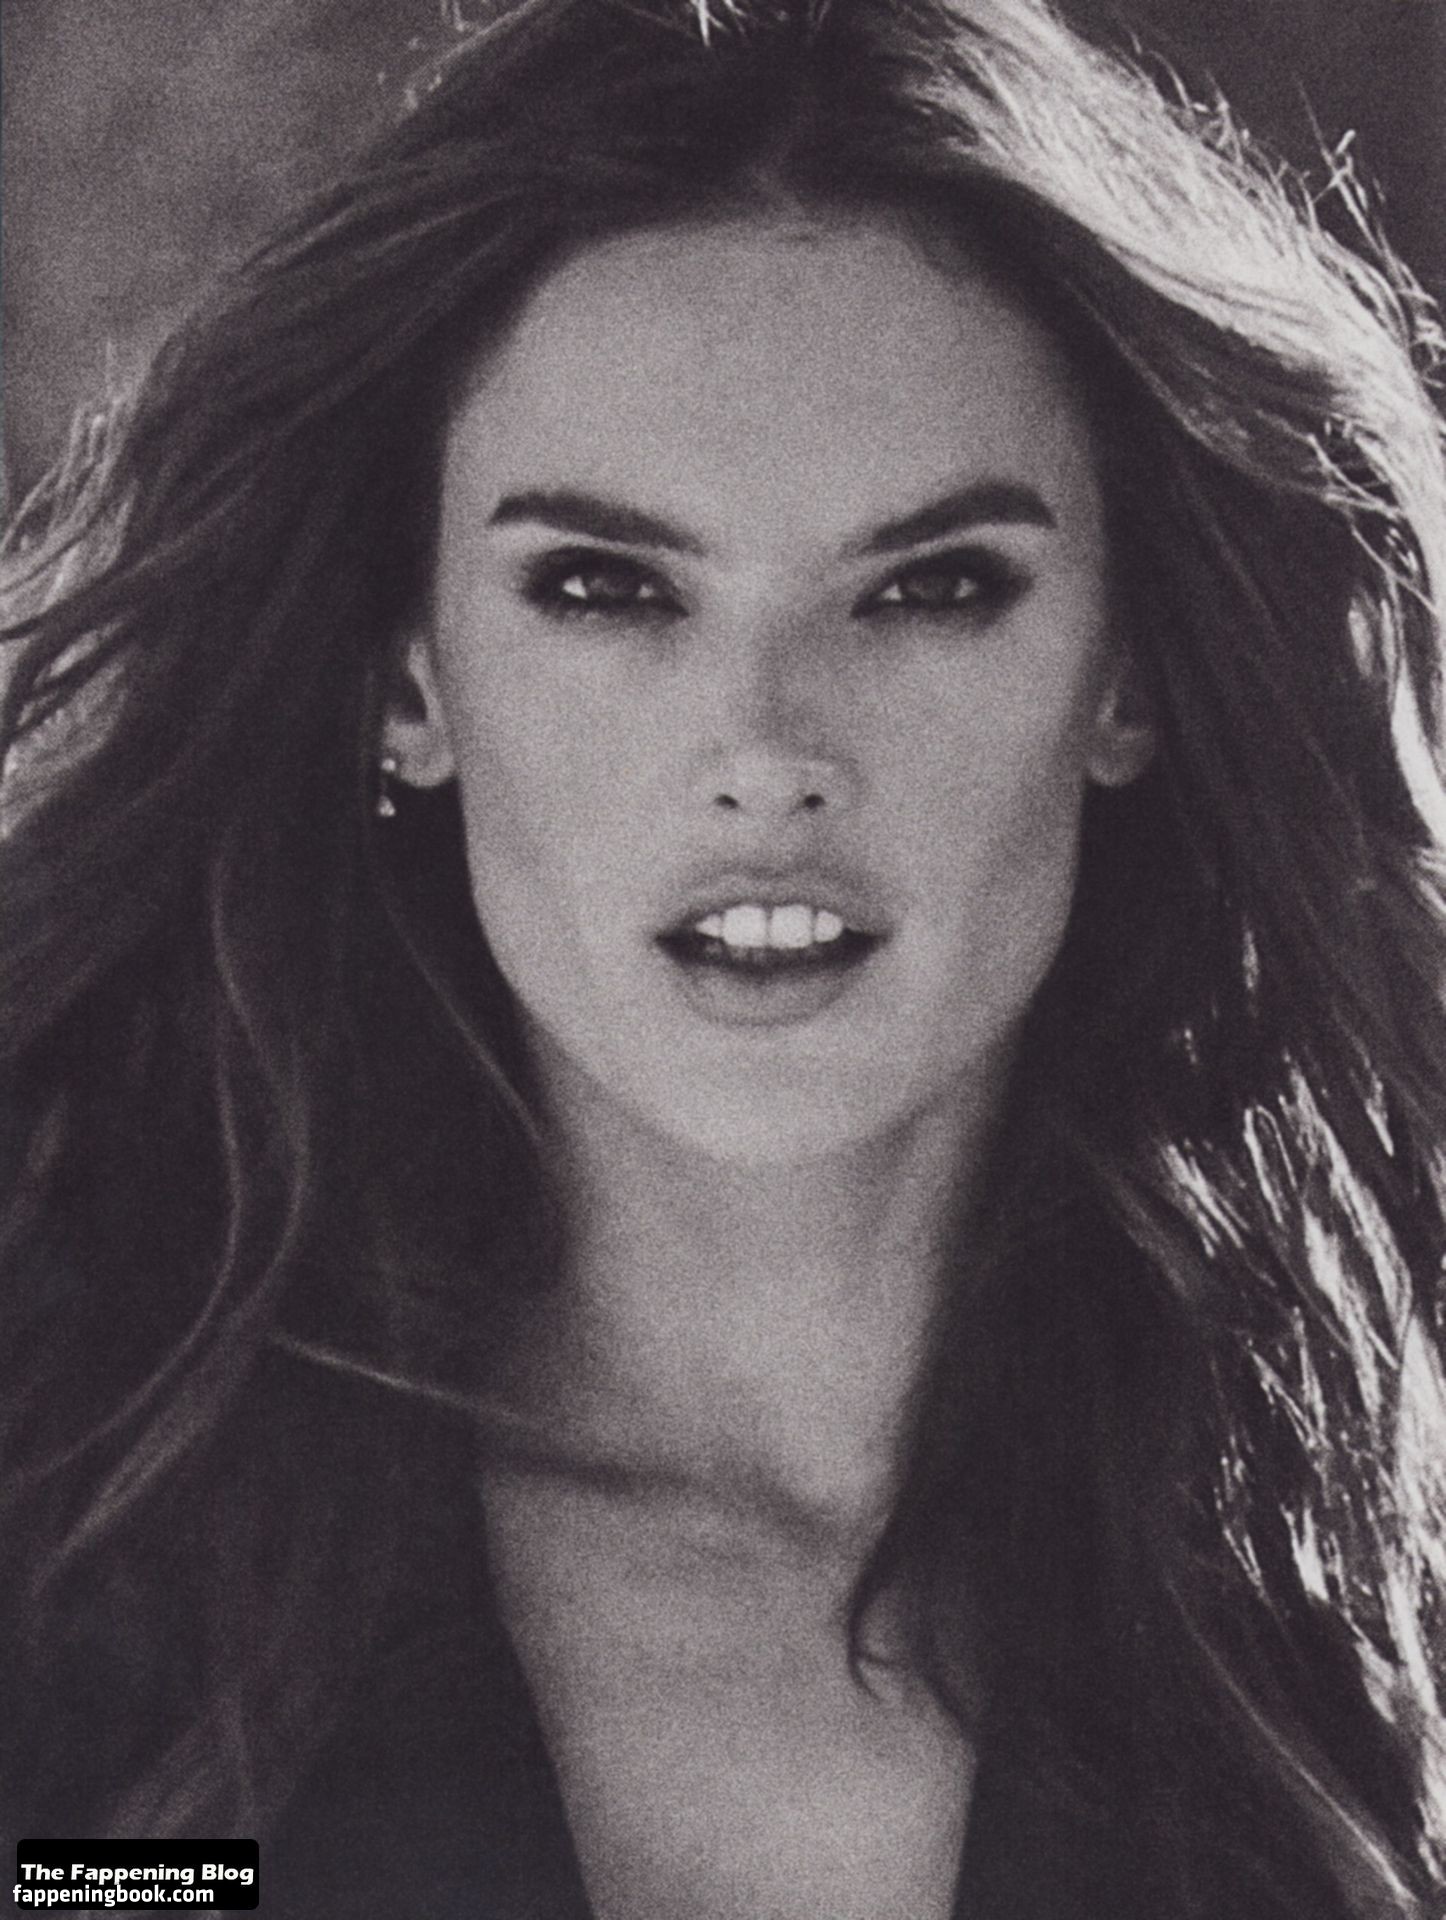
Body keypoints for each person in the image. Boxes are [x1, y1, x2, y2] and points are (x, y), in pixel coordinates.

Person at [2, 0, 1444, 1913]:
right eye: (606, 589)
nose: (766, 750)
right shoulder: (68, 1568)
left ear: (1126, 678)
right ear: (410, 684)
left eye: (931, 587)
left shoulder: (1373, 1624)